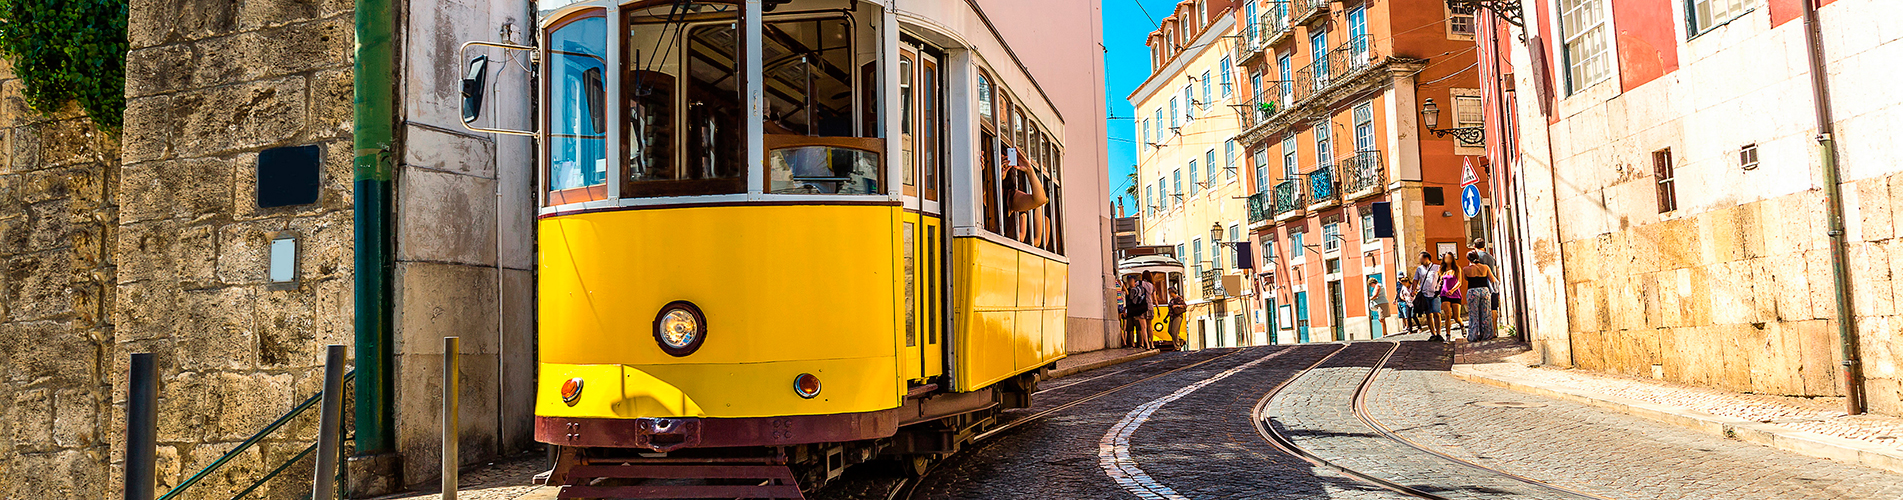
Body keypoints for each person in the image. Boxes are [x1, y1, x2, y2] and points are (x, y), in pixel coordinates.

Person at [1461, 250, 1497, 342]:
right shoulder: (1485, 267)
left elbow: (1466, 278)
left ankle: (1473, 336)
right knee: (1486, 314)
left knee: (1473, 314)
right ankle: (1486, 335)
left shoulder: (1465, 269)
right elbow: (1492, 279)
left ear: (1468, 259)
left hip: (1472, 291)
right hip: (1484, 290)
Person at [1411, 252, 1443, 341]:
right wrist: (1413, 290)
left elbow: (1442, 279)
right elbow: (1415, 280)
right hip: (1424, 294)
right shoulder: (1419, 269)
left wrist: (1440, 289)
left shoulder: (1437, 267)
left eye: (1421, 259)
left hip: (1435, 294)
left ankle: (1439, 333)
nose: (1420, 261)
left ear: (1426, 258)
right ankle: (1433, 334)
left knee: (1437, 313)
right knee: (1428, 314)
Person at [1471, 238, 1501, 326]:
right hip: (1493, 285)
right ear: (1484, 246)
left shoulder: (1475, 257)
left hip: (1481, 285)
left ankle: (1484, 330)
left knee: (1481, 310)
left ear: (1474, 246)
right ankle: (1494, 329)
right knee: (1493, 308)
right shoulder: (1490, 257)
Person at [1122, 275, 1155, 349]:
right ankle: (1152, 343)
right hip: (1149, 306)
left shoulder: (1138, 284)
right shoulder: (1151, 286)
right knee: (1149, 325)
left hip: (1141, 307)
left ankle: (1147, 345)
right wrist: (1157, 307)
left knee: (1143, 327)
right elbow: (1154, 298)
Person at [1439, 252, 1466, 333]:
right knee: (1447, 315)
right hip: (1444, 294)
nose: (1448, 259)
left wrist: (1452, 290)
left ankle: (1461, 325)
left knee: (1456, 317)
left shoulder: (1457, 269)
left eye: (1450, 258)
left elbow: (1459, 282)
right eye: (1446, 258)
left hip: (1455, 294)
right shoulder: (1442, 270)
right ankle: (1448, 334)